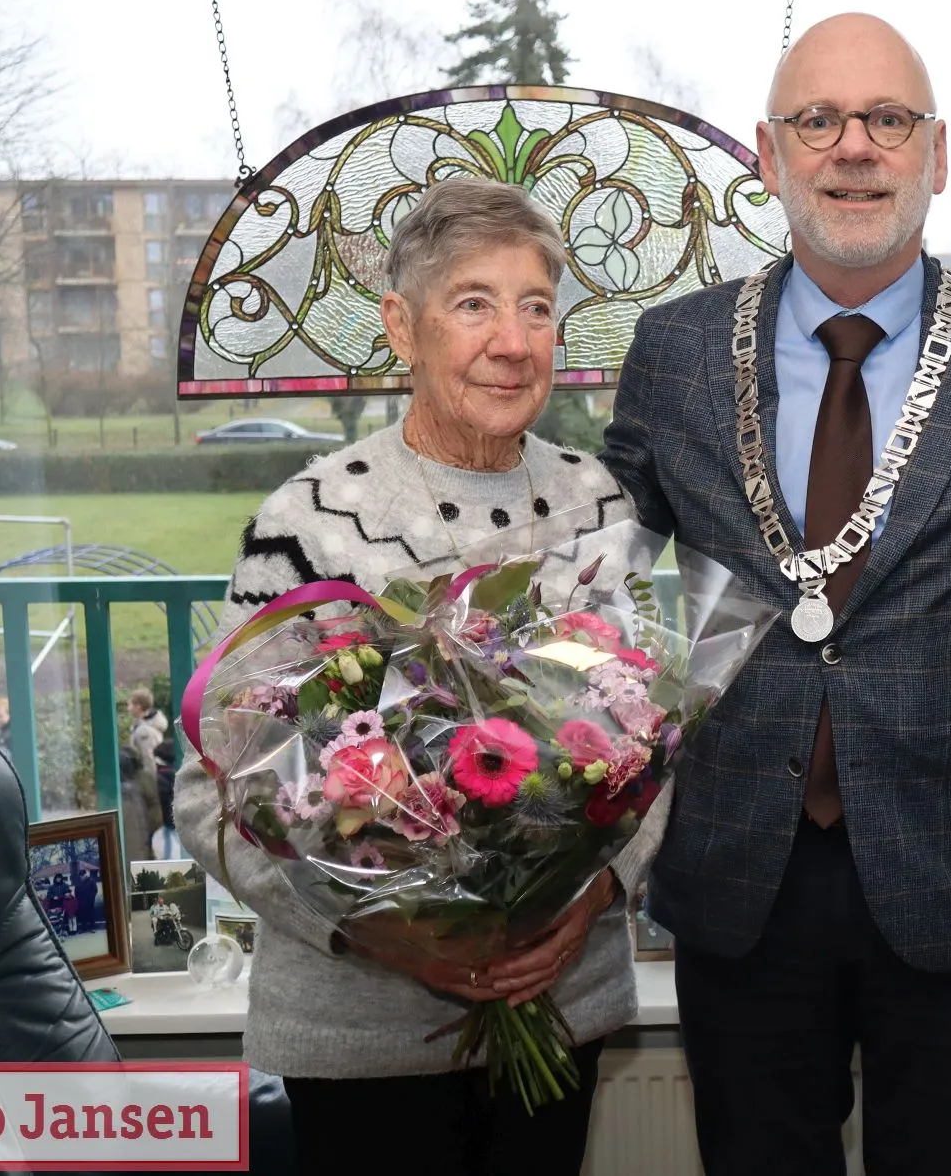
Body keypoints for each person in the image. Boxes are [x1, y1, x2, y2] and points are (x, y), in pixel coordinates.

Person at [599, 12, 951, 1176]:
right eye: (818, 120)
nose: (853, 147)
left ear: (936, 154)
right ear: (765, 151)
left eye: (887, 120)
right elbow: (586, 593)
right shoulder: (673, 352)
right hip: (739, 880)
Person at [174, 178, 647, 1176]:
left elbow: (649, 742)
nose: (512, 341)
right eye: (472, 303)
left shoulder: (596, 502)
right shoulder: (307, 520)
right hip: (361, 1037)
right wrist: (380, 935)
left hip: (554, 1008)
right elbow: (214, 789)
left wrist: (596, 889)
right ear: (401, 326)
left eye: (536, 307)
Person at [120, 689, 167, 861]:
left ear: (139, 707)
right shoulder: (144, 728)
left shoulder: (143, 732)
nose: (128, 708)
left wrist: (149, 787)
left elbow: (149, 761)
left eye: (131, 704)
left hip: (148, 786)